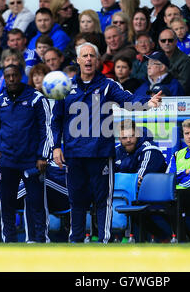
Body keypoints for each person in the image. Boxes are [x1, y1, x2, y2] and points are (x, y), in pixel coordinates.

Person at [51, 42, 162, 244]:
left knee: (103, 200)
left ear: (98, 60)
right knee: (76, 201)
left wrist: (147, 102)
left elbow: (128, 100)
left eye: (92, 55)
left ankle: (104, 240)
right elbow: (56, 119)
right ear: (77, 60)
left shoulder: (108, 85)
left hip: (100, 153)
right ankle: (75, 241)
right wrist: (56, 147)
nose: (88, 59)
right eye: (84, 56)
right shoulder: (65, 87)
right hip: (74, 154)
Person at [0, 63, 52, 243]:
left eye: (15, 75)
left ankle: (40, 240)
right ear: (4, 79)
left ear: (21, 76)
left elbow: (46, 129)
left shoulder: (36, 99)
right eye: (8, 76)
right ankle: (9, 240)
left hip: (32, 162)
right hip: (7, 161)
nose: (12, 79)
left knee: (36, 203)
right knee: (7, 204)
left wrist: (42, 156)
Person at [158, 28, 190, 95]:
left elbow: (183, 87)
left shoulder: (186, 61)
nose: (167, 43)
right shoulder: (157, 58)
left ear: (176, 41)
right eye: (163, 41)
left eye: (170, 40)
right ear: (159, 42)